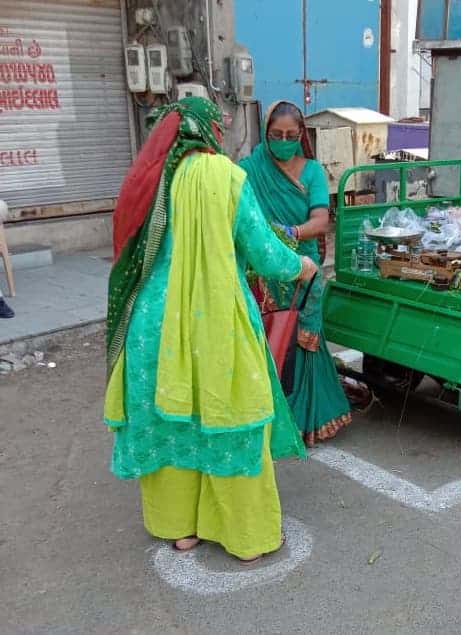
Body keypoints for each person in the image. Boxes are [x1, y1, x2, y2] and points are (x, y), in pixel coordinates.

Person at [103, 97, 316, 559]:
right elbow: (264, 252)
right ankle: (247, 536)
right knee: (230, 420)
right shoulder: (227, 177)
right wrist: (298, 266)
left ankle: (179, 527)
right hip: (215, 321)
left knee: (171, 421)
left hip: (152, 328)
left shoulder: (150, 180)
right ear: (208, 133)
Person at [240, 101, 352, 446]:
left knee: (304, 343)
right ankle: (268, 418)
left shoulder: (313, 171)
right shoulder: (249, 170)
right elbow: (242, 216)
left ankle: (309, 420)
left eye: (291, 135)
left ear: (301, 135)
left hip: (303, 272)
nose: (284, 141)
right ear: (265, 134)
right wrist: (265, 242)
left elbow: (320, 222)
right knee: (267, 342)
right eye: (276, 135)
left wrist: (288, 234)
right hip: (264, 269)